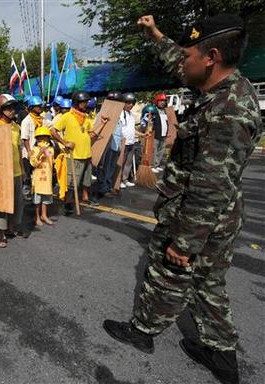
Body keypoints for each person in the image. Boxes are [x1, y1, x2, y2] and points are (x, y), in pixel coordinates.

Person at [103, 14, 262, 384]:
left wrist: (185, 243)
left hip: (198, 215)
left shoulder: (229, 109)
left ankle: (142, 331)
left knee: (167, 273)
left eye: (190, 54)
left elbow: (211, 184)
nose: (182, 62)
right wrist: (155, 33)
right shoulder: (224, 87)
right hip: (215, 217)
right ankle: (221, 354)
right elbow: (179, 59)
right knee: (207, 283)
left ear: (212, 57)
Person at [51, 91, 103, 213]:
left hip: (86, 154)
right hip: (74, 155)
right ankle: (68, 202)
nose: (85, 104)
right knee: (71, 183)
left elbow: (91, 134)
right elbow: (53, 131)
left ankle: (85, 197)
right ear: (76, 102)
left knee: (86, 179)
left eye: (86, 102)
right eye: (83, 102)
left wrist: (103, 124)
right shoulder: (67, 117)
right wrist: (64, 143)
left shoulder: (86, 118)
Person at [0, 94, 27, 248]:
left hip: (16, 171)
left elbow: (18, 149)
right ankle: (1, 233)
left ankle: (11, 228)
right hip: (1, 173)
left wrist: (23, 170)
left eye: (13, 108)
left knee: (18, 203)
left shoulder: (16, 127)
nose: (12, 111)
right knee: (2, 205)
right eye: (8, 108)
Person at [96, 91, 124, 197]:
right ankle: (103, 188)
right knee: (104, 167)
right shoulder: (103, 113)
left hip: (115, 145)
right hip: (106, 145)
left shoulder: (118, 116)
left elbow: (119, 132)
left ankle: (108, 186)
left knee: (111, 167)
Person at [20, 95, 45, 201]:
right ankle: (26, 190)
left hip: (40, 150)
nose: (39, 107)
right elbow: (25, 138)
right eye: (37, 106)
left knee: (38, 171)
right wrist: (29, 151)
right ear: (31, 107)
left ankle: (38, 191)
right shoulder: (27, 120)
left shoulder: (42, 119)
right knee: (28, 172)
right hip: (29, 152)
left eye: (40, 105)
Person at [29, 127, 55, 226]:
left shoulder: (50, 149)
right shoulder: (34, 149)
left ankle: (44, 215)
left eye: (45, 138)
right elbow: (33, 163)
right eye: (40, 138)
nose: (42, 140)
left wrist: (45, 151)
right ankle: (37, 217)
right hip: (37, 179)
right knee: (37, 199)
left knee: (46, 198)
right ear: (37, 139)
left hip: (47, 178)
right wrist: (40, 152)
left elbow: (51, 160)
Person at [141, 93, 169, 173]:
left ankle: (157, 165)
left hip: (163, 134)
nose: (163, 102)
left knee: (161, 150)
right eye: (161, 101)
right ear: (157, 101)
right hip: (155, 134)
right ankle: (152, 165)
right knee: (154, 150)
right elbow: (144, 121)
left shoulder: (164, 111)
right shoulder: (153, 110)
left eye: (164, 101)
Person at [119, 93, 140, 188]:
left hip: (132, 142)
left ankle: (125, 179)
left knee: (128, 163)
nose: (130, 105)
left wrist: (142, 135)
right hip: (124, 143)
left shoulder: (131, 115)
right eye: (128, 103)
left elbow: (132, 130)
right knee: (121, 163)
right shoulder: (120, 114)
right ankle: (118, 181)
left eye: (132, 103)